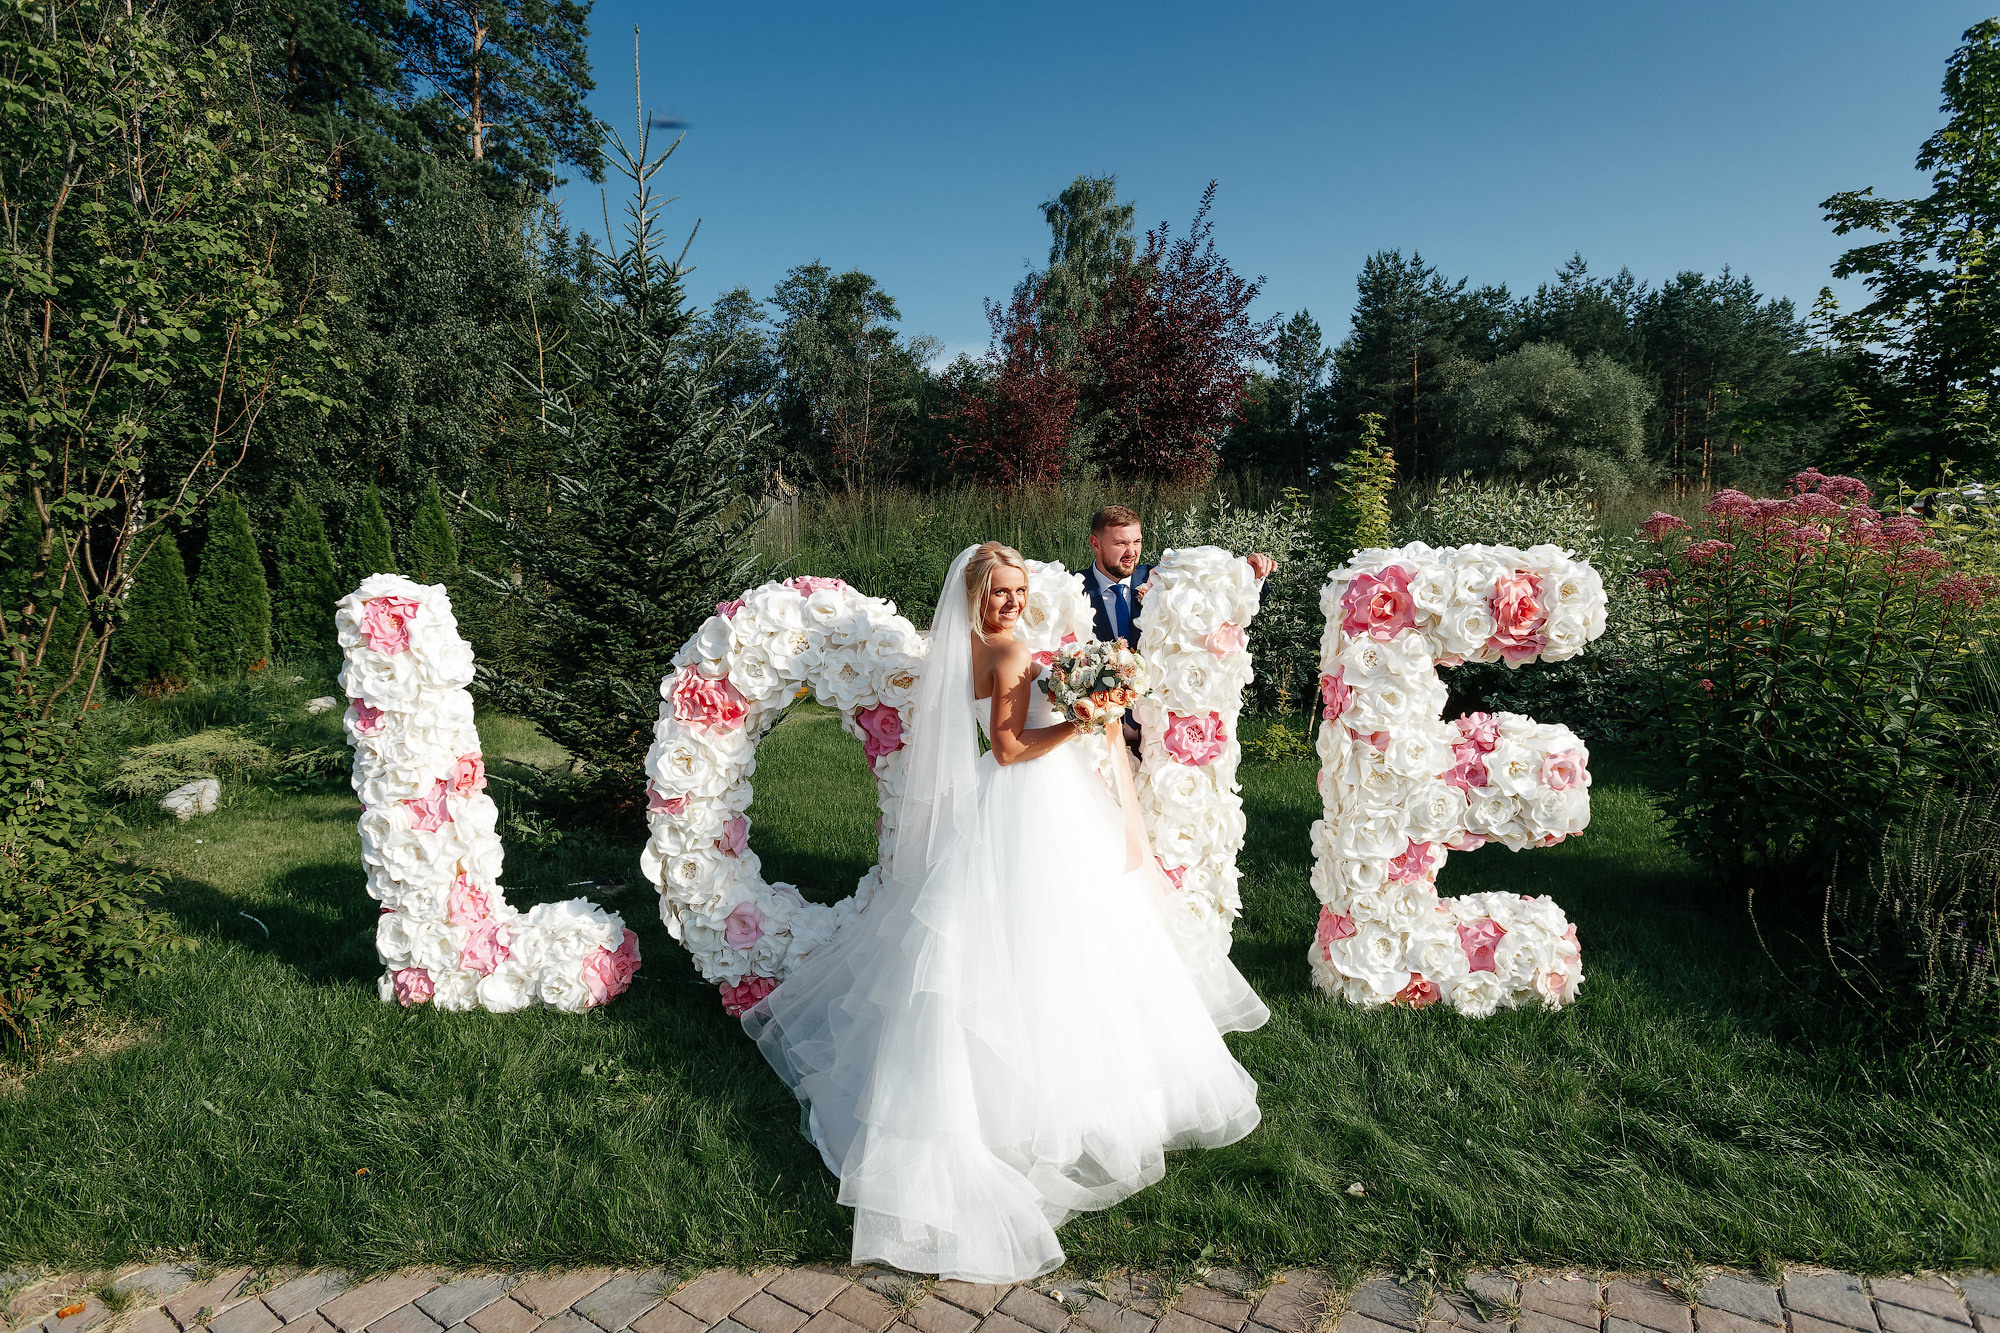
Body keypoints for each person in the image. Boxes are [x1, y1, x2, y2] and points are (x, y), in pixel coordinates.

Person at [743, 542, 1269, 1284]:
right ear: (975, 595)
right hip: (1027, 800)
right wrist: (1083, 722)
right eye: (999, 592)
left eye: (1017, 591)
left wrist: (1080, 700)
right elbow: (1013, 746)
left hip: (1010, 806)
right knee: (1055, 937)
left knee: (1027, 941)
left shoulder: (973, 647)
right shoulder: (1009, 650)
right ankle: (1046, 1102)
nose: (1012, 602)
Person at [1076, 504, 1277, 755]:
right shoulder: (1074, 590)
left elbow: (1217, 596)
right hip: (1097, 730)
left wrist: (1251, 576)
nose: (1131, 552)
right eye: (1120, 544)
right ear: (1096, 543)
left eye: (1137, 541)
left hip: (1156, 730)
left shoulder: (1160, 579)